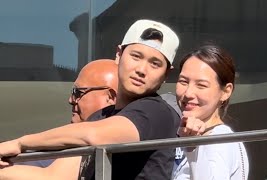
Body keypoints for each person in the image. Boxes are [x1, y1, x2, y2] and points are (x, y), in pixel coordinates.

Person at [0, 19, 180, 180]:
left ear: (166, 74)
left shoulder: (156, 111)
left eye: (155, 63)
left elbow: (95, 136)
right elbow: (55, 176)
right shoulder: (100, 117)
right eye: (136, 56)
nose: (141, 69)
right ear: (118, 55)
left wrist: (19, 143)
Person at [0, 59, 119, 179]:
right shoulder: (67, 141)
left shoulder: (103, 139)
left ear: (110, 97)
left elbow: (53, 177)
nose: (71, 100)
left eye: (78, 93)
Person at [172, 44, 249, 180]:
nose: (188, 93)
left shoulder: (220, 139)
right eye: (183, 81)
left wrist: (192, 148)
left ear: (226, 92)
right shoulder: (188, 135)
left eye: (201, 85)